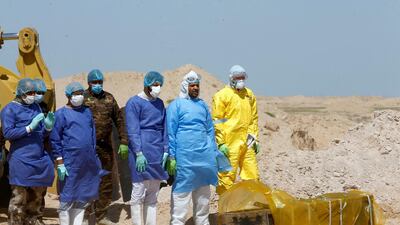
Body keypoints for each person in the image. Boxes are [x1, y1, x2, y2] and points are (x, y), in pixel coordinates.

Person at [167, 71, 218, 225]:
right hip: (185, 159)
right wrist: (172, 156)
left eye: (197, 85)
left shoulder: (203, 105)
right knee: (181, 197)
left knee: (203, 198)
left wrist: (213, 151)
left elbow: (210, 130)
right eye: (192, 85)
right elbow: (171, 131)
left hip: (203, 159)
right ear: (185, 86)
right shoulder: (176, 105)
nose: (196, 88)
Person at [1, 78, 55, 225]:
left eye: (34, 92)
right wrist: (29, 127)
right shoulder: (9, 110)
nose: (32, 95)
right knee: (19, 199)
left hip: (37, 159)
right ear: (20, 92)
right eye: (29, 92)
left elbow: (40, 134)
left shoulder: (36, 107)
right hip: (21, 159)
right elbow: (8, 134)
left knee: (35, 200)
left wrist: (48, 128)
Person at [50, 82, 104, 225]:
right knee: (67, 198)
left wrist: (94, 158)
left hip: (87, 162)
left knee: (82, 198)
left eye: (81, 93)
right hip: (70, 163)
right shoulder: (61, 114)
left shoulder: (86, 112)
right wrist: (60, 162)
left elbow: (91, 136)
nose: (79, 96)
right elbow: (55, 139)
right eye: (75, 94)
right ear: (68, 96)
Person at [83, 69, 128, 222]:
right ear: (89, 83)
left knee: (106, 183)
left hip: (106, 148)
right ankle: (85, 216)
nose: (97, 85)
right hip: (87, 148)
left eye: (100, 82)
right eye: (94, 82)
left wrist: (123, 141)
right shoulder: (81, 98)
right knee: (87, 181)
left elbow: (119, 120)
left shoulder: (109, 98)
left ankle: (102, 215)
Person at [125, 71, 169, 225]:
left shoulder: (159, 103)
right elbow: (132, 130)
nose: (158, 88)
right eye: (155, 84)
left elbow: (165, 128)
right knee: (138, 193)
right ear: (147, 85)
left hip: (156, 151)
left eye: (160, 85)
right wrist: (138, 152)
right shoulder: (134, 103)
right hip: (142, 151)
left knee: (152, 195)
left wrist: (165, 150)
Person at [211, 65, 260, 195]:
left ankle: (249, 206)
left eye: (242, 78)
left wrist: (254, 138)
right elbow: (217, 120)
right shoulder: (222, 95)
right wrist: (221, 143)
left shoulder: (249, 95)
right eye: (238, 78)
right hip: (229, 143)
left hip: (247, 142)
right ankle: (226, 208)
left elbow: (253, 118)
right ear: (231, 78)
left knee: (252, 176)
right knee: (226, 177)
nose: (240, 80)